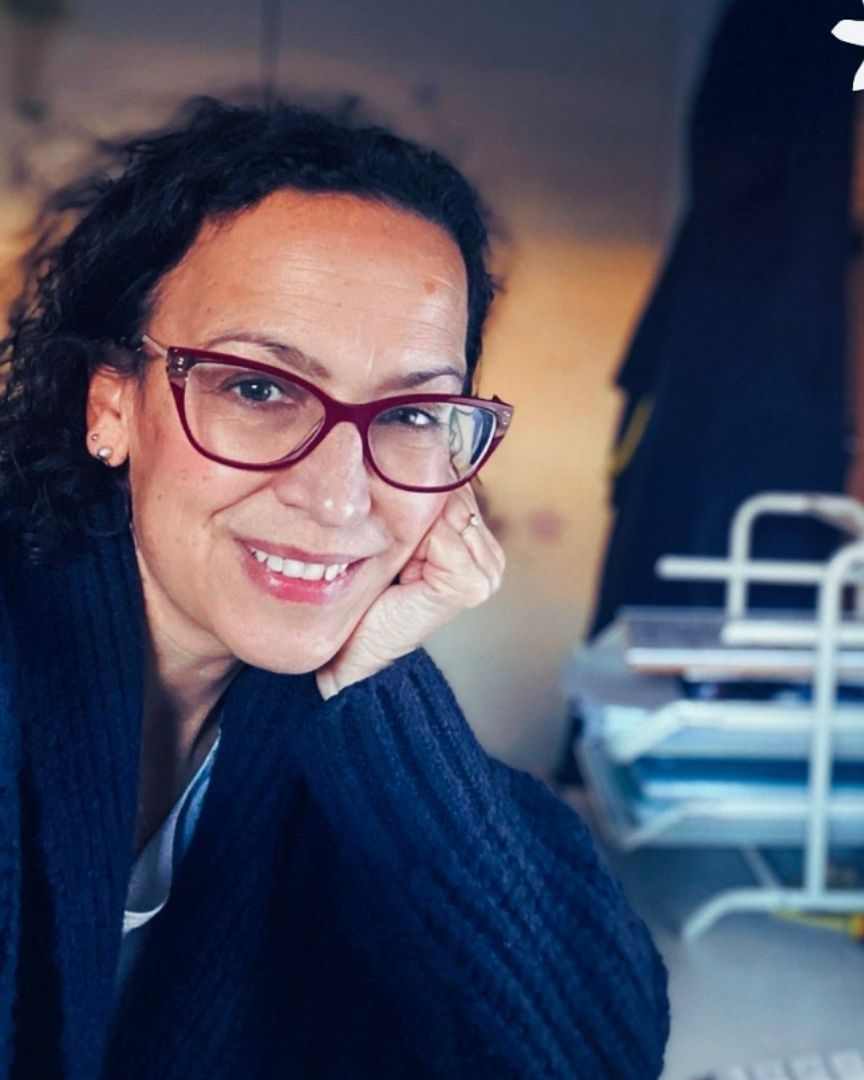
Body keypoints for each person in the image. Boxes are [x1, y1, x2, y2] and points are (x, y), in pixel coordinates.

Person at [0, 97, 669, 1078]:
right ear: (111, 406)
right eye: (258, 388)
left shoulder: (332, 717)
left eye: (410, 412)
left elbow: (593, 1056)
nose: (337, 495)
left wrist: (379, 684)